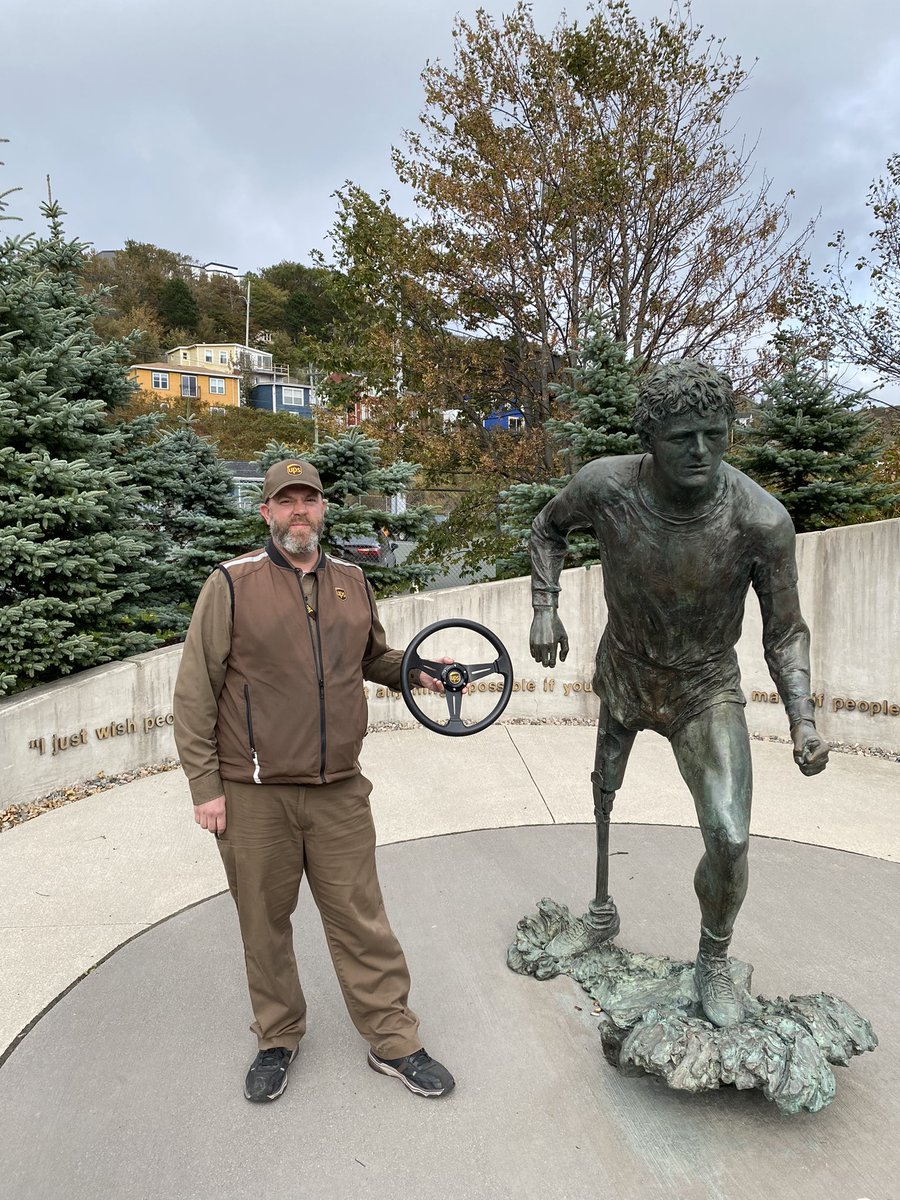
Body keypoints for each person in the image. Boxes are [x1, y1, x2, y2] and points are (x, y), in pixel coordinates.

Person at [529, 359, 830, 1028]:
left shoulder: (760, 521)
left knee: (728, 835)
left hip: (704, 686)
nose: (701, 452)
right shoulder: (606, 487)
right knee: (605, 787)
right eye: (682, 437)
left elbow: (786, 634)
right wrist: (545, 607)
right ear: (650, 438)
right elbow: (547, 528)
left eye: (715, 435)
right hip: (628, 668)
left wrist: (803, 719)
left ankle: (714, 958)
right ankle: (601, 913)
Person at [173, 459, 455, 1102]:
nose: (299, 511)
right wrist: (204, 787)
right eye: (286, 501)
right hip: (254, 794)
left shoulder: (352, 581)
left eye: (309, 500)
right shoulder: (231, 583)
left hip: (339, 792)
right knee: (263, 923)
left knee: (363, 919)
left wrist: (419, 669)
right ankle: (277, 1036)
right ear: (267, 512)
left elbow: (371, 658)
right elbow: (195, 691)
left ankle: (394, 1041)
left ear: (322, 509)